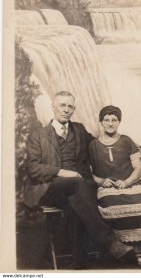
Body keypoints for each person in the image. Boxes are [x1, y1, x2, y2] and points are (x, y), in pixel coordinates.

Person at [26, 91, 133, 269]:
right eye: (62, 105)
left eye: (70, 106)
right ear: (53, 107)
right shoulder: (38, 135)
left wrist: (117, 139)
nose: (66, 110)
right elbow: (32, 168)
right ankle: (109, 241)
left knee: (76, 200)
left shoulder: (80, 130)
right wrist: (62, 172)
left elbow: (99, 147)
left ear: (73, 109)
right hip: (50, 189)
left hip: (78, 191)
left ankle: (79, 263)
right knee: (76, 184)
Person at [89, 105, 141, 268]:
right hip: (108, 188)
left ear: (119, 121)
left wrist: (127, 182)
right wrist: (101, 181)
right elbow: (88, 173)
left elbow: (138, 168)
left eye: (114, 120)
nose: (110, 123)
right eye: (106, 120)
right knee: (113, 207)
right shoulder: (93, 145)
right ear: (101, 122)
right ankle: (123, 250)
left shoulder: (127, 141)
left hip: (131, 184)